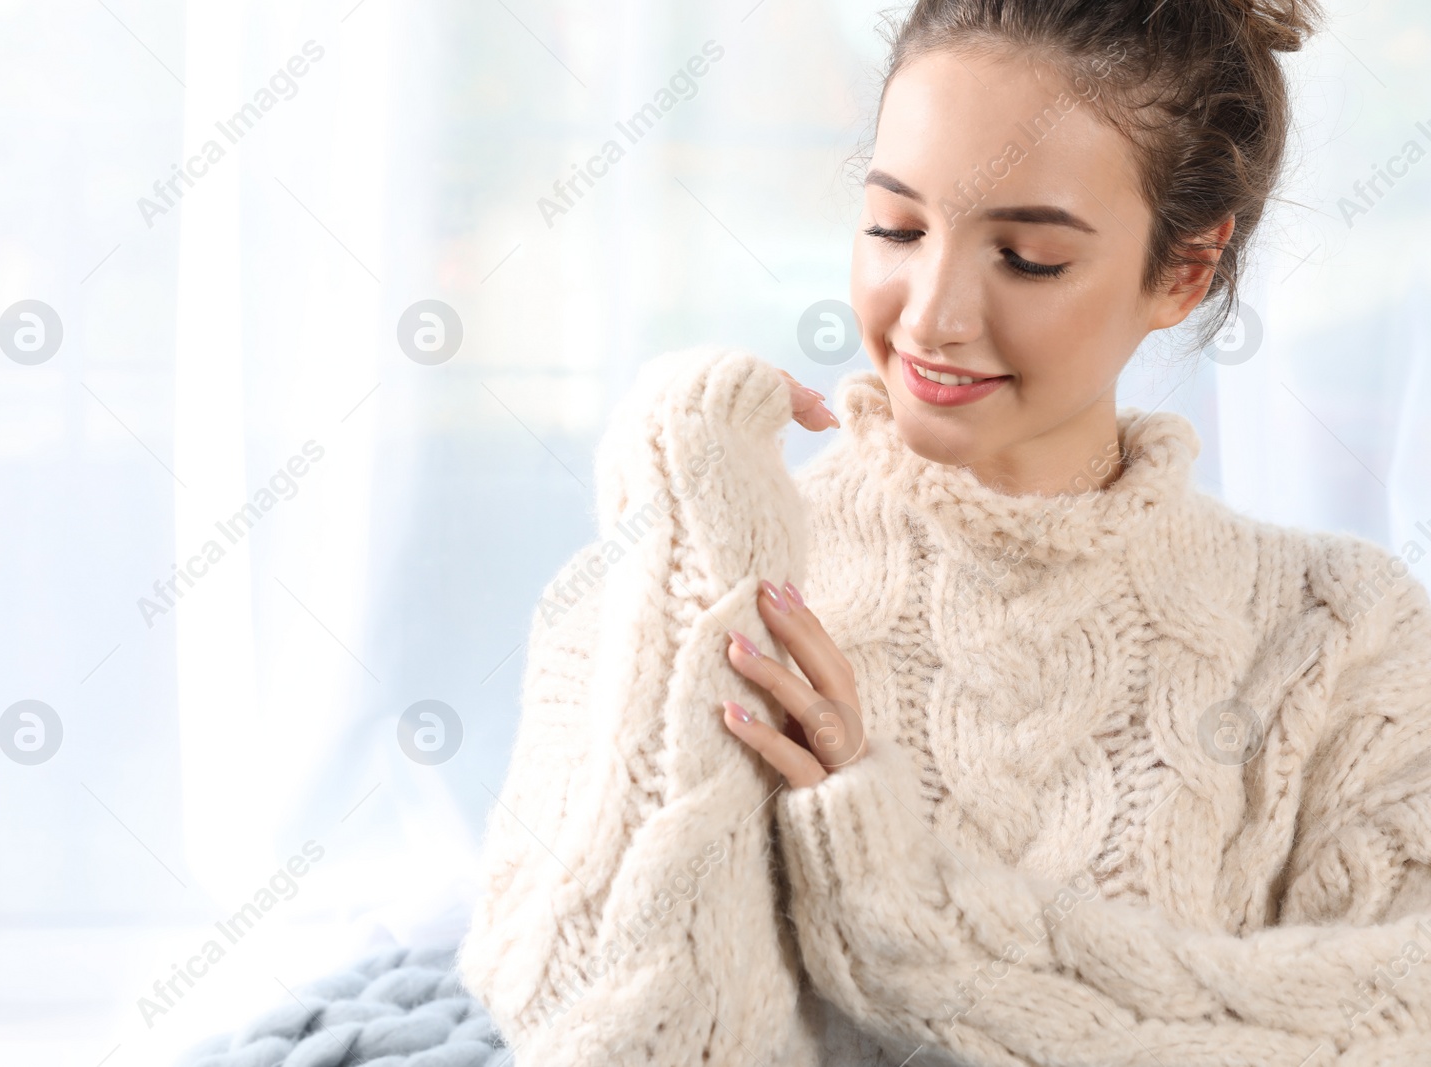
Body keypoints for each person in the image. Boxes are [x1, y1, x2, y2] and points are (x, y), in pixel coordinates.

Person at [459, 1, 1431, 1063]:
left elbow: (1385, 1024)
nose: (929, 314)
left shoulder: (1344, 630)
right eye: (896, 228)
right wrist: (690, 527)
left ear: (1182, 272)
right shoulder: (699, 569)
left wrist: (902, 911)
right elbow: (614, 1041)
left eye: (1025, 256)